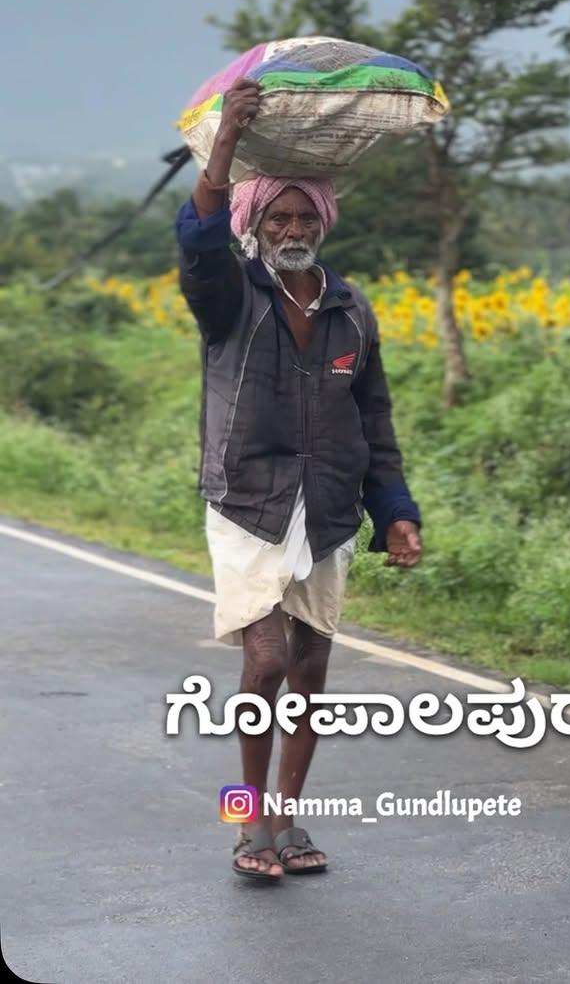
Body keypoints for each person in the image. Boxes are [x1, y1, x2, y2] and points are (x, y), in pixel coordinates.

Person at [175, 75, 422, 883]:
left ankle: (286, 814)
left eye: (303, 215)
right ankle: (246, 820)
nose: (290, 227)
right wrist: (225, 150)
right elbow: (200, 239)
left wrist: (394, 511)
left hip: (326, 512)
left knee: (311, 667)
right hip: (246, 503)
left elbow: (374, 420)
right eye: (276, 215)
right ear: (256, 223)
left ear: (323, 220)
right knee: (268, 658)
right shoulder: (230, 296)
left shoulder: (353, 309)